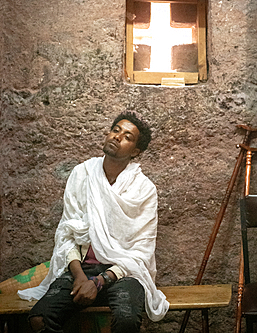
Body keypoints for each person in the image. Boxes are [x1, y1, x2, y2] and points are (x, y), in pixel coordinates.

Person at [18, 110, 169, 333]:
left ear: (136, 151)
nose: (117, 137)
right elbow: (68, 232)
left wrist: (99, 282)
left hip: (124, 273)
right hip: (82, 269)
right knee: (39, 318)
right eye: (115, 130)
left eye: (127, 137)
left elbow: (142, 250)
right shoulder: (82, 174)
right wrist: (79, 277)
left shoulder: (143, 189)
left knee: (126, 321)